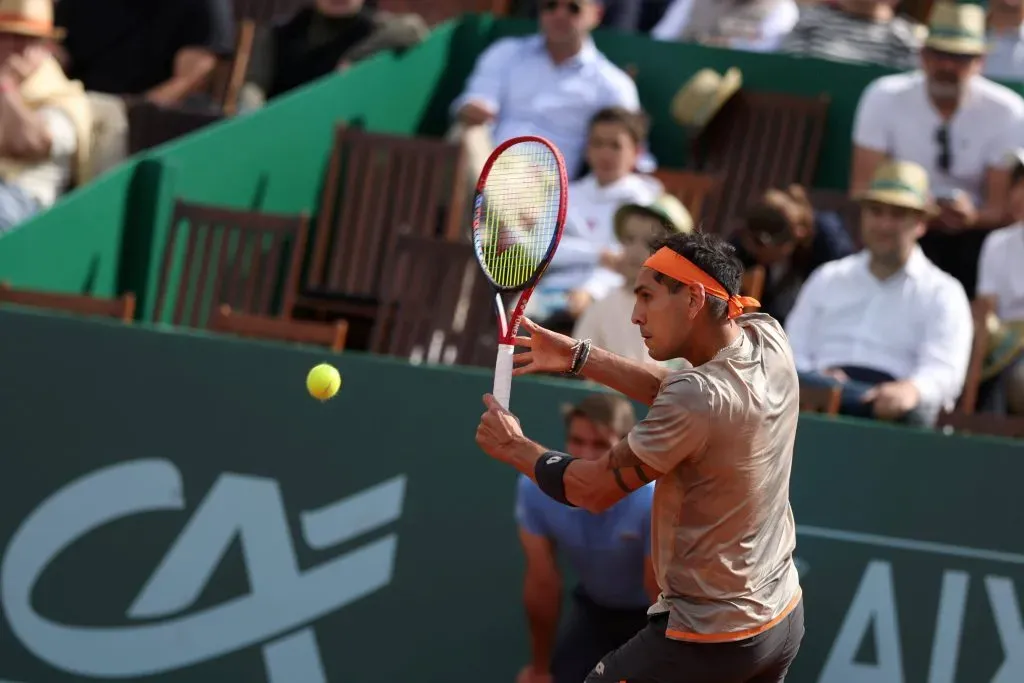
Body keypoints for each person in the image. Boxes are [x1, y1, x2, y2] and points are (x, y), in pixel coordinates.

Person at [476, 231, 804, 683]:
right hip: (780, 617)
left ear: (692, 299)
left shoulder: (698, 399)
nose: (635, 315)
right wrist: (578, 356)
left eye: (647, 296)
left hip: (712, 637)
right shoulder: (766, 336)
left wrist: (515, 447)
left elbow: (591, 490)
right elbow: (674, 394)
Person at [786, 160, 973, 427]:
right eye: (876, 211)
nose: (884, 224)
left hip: (894, 421)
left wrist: (911, 391)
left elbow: (945, 372)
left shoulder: (944, 292)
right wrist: (817, 379)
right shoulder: (827, 277)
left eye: (898, 214)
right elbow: (791, 349)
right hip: (811, 407)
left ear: (920, 223)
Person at [515, 394, 656, 683]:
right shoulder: (535, 490)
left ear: (627, 448)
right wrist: (540, 671)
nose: (586, 455)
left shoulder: (651, 499)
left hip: (649, 621)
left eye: (601, 445)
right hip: (595, 613)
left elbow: (660, 596)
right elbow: (543, 584)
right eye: (577, 441)